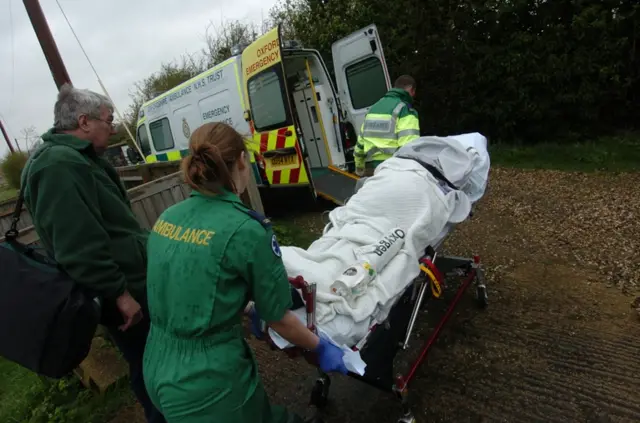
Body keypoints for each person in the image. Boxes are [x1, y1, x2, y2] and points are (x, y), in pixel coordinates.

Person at [142, 122, 348, 423]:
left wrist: (243, 305)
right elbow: (280, 319)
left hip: (157, 363)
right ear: (241, 161)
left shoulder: (168, 218)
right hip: (207, 384)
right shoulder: (246, 230)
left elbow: (194, 284)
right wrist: (320, 347)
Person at [20, 84, 166, 423]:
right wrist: (120, 294)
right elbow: (79, 246)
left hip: (130, 282)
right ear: (84, 122)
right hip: (124, 291)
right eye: (108, 120)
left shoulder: (75, 159)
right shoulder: (58, 165)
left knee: (154, 359)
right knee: (150, 364)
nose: (113, 128)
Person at [354, 75, 421, 176]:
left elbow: (360, 143)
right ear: (412, 91)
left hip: (375, 169)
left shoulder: (373, 109)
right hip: (396, 169)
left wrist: (359, 166)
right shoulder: (404, 110)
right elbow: (409, 146)